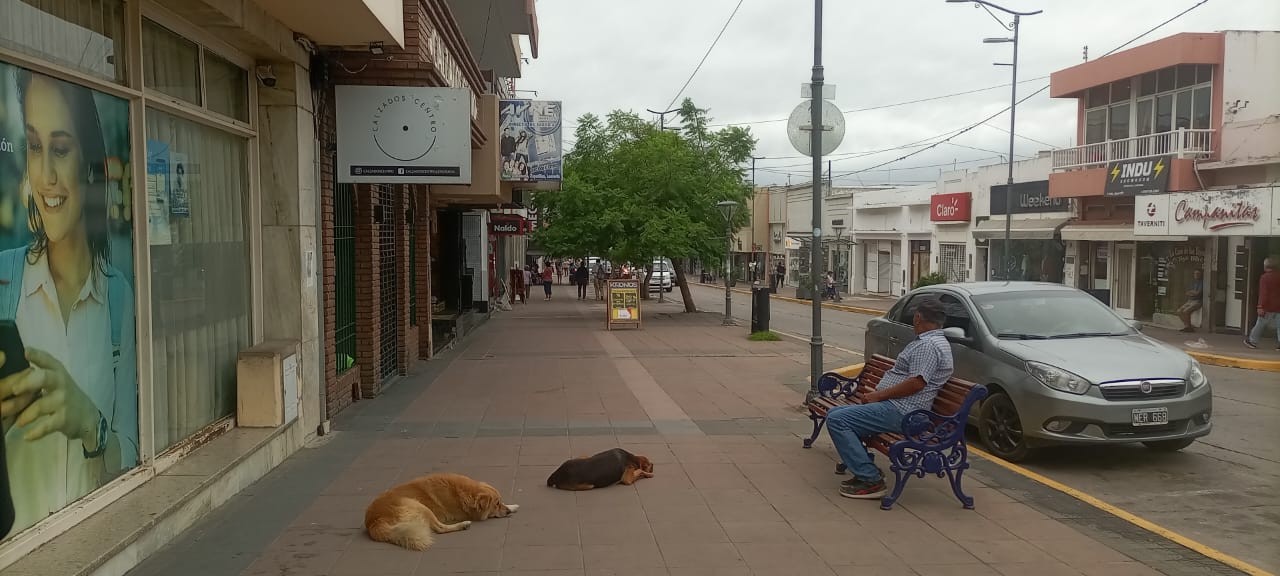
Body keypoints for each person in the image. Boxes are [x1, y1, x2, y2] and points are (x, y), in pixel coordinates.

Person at [0, 71, 138, 533]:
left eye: (60, 148)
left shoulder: (117, 294)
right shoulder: (3, 281)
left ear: (88, 163)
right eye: (35, 148)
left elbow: (134, 456)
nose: (46, 176)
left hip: (97, 537)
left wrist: (90, 424)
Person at [826, 298, 952, 499]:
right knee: (834, 412)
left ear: (918, 318)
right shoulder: (933, 342)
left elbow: (917, 383)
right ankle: (864, 467)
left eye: (915, 318)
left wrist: (878, 395)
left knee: (837, 420)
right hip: (900, 407)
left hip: (904, 412)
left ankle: (871, 479)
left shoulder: (927, 345)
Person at [1245, 257, 1279, 350]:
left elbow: (1264, 293)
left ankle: (1252, 341)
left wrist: (1260, 306)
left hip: (1268, 306)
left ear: (1266, 266)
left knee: (1260, 324)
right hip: (1278, 306)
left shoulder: (1265, 277)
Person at [1177, 268, 1205, 333]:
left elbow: (1198, 293)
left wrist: (1192, 293)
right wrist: (1193, 292)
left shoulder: (1202, 282)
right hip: (1189, 300)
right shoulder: (1192, 282)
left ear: (1201, 275)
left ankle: (1188, 327)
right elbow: (1187, 292)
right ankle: (1187, 326)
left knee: (1186, 311)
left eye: (1198, 274)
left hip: (1197, 301)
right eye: (1195, 273)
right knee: (1179, 311)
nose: (1196, 275)